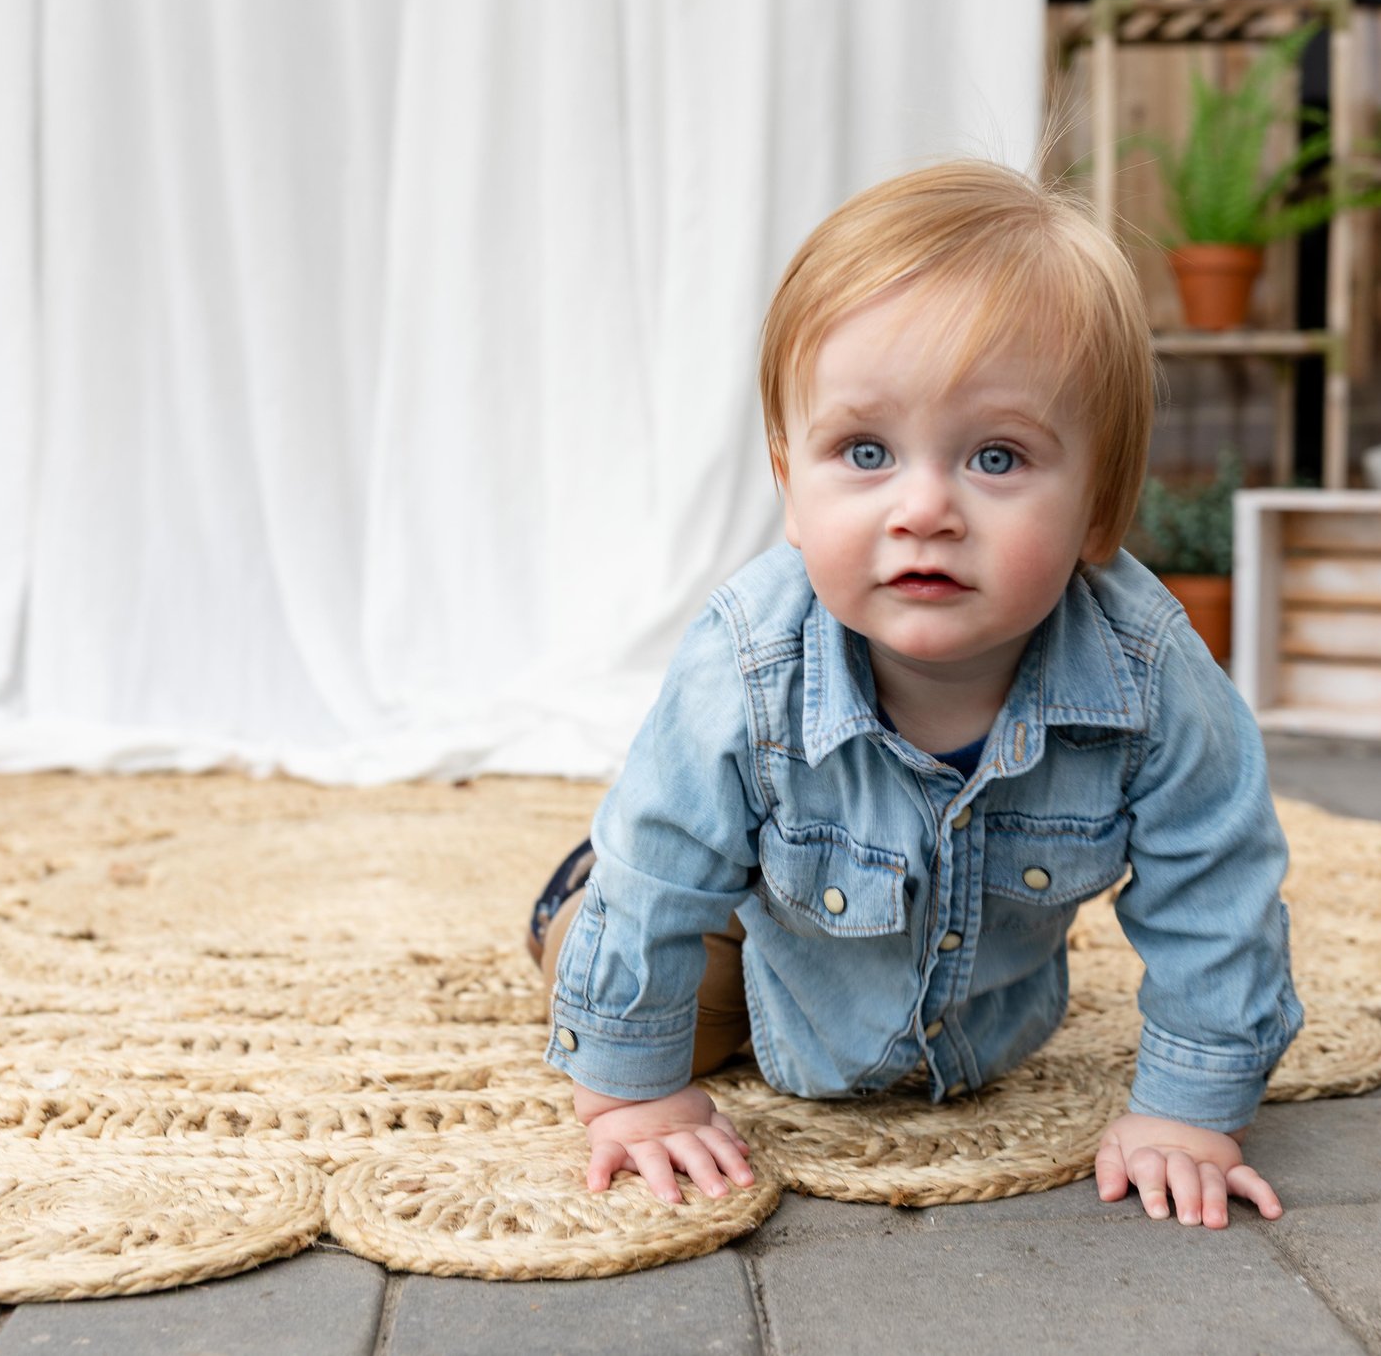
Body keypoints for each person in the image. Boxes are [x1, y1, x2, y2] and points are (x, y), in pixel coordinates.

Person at [526, 159, 1301, 1229]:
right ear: (790, 482)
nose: (924, 506)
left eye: (996, 455)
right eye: (865, 451)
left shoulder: (1148, 670)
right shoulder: (749, 658)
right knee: (625, 950)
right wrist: (632, 1091)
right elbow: (658, 874)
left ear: (1097, 510)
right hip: (761, 937)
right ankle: (570, 888)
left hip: (978, 1017)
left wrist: (1187, 1110)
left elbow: (1218, 888)